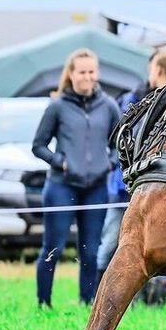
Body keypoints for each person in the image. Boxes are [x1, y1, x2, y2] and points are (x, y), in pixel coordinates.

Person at [31, 48, 121, 308]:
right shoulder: (57, 106)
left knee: (90, 251)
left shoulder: (108, 105)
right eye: (82, 72)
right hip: (61, 186)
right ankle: (44, 303)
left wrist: (110, 162)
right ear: (71, 74)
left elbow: (119, 142)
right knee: (53, 248)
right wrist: (60, 162)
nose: (87, 77)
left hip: (95, 189)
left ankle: (87, 302)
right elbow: (38, 145)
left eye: (92, 71)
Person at [97, 45, 166, 305]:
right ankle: (106, 298)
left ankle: (152, 302)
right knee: (114, 245)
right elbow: (120, 141)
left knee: (151, 246)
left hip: (157, 188)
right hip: (125, 188)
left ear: (156, 69)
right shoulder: (134, 98)